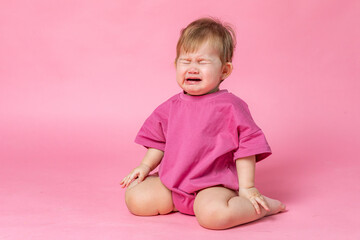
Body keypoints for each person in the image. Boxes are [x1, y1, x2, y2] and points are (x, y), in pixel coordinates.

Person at [120, 17, 286, 230]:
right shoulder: (170, 106)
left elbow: (247, 148)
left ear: (224, 71)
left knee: (213, 217)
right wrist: (144, 167)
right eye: (185, 61)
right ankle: (175, 202)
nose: (192, 68)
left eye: (202, 62)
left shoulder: (231, 107)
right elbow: (158, 142)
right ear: (175, 65)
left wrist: (248, 188)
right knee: (136, 198)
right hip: (174, 184)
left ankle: (263, 207)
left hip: (212, 186)